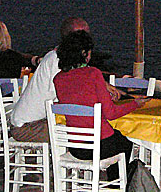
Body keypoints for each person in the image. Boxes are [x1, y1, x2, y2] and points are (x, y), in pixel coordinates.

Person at [9, 17, 123, 143]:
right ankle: (81, 161)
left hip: (41, 120)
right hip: (28, 127)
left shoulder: (68, 60)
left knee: (89, 130)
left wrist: (104, 86)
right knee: (84, 132)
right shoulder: (57, 60)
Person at [54, 30, 148, 181]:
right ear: (84, 53)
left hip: (76, 148)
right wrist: (135, 104)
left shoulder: (58, 79)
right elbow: (111, 113)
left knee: (117, 139)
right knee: (125, 143)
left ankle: (116, 188)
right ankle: (119, 191)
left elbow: (80, 98)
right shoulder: (93, 73)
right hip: (98, 145)